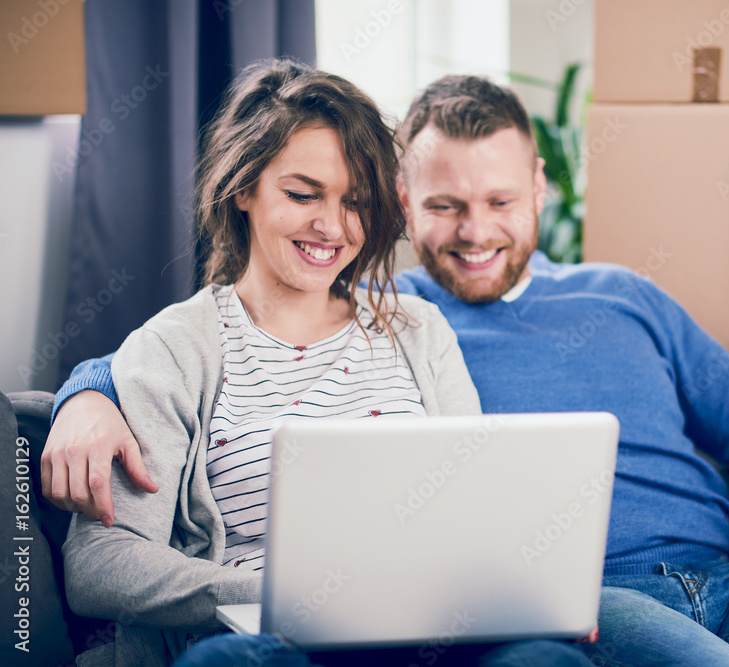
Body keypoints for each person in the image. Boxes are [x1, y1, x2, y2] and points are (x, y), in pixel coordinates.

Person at [46, 75, 729, 665]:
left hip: (725, 585)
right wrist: (86, 391)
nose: (475, 230)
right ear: (407, 209)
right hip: (578, 604)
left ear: (539, 189)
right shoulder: (401, 322)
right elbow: (184, 357)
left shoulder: (606, 297)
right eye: (445, 204)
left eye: (500, 199)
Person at [55, 60, 591, 667]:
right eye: (302, 194)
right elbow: (100, 564)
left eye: (355, 202)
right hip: (269, 643)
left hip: (427, 639)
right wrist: (293, 598)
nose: (331, 226)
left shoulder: (420, 332)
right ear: (243, 187)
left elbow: (477, 521)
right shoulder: (176, 349)